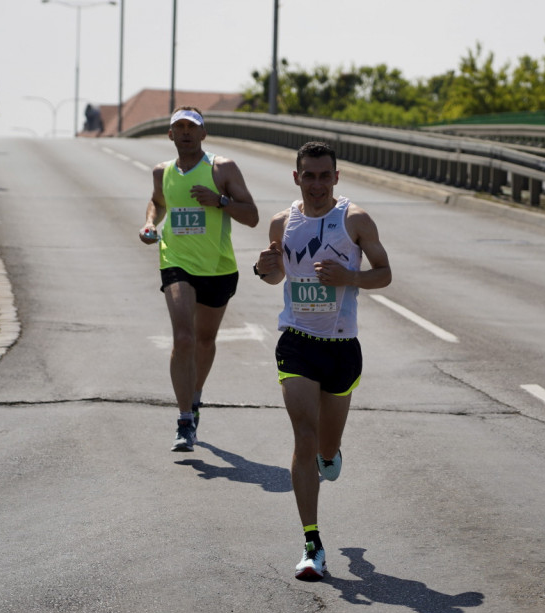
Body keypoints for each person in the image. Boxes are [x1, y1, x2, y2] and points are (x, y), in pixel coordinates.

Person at [254, 141, 392, 581]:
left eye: (323, 175)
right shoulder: (283, 221)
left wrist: (350, 277)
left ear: (336, 177)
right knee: (304, 436)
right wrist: (264, 268)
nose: (316, 184)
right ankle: (312, 543)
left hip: (341, 346)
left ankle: (328, 458)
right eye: (308, 175)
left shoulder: (354, 220)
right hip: (296, 342)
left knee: (326, 452)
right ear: (296, 178)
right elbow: (275, 274)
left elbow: (384, 272)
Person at [139, 107, 259, 452]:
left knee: (205, 341)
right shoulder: (162, 171)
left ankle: (194, 399)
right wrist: (151, 224)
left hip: (218, 266)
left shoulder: (222, 169)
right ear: (170, 135)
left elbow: (251, 216)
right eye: (179, 127)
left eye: (192, 127)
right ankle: (183, 421)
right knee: (184, 337)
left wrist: (220, 201)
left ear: (203, 134)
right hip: (175, 261)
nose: (186, 132)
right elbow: (157, 202)